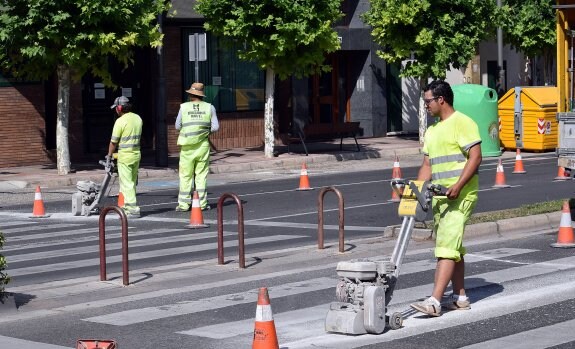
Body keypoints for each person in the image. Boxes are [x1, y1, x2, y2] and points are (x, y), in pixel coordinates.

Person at [410, 80, 482, 317]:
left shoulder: (463, 123)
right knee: (454, 248)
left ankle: (434, 301)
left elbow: (475, 157)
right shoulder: (432, 131)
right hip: (440, 197)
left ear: (441, 100)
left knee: (446, 248)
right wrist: (416, 193)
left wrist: (459, 185)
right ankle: (460, 297)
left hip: (461, 195)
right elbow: (427, 165)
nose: (426, 105)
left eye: (428, 101)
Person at [175, 82, 219, 211]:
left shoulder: (183, 107)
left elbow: (177, 126)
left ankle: (183, 205)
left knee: (185, 176)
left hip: (187, 147)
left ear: (190, 94)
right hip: (203, 146)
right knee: (201, 176)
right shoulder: (209, 107)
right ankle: (202, 204)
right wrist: (204, 131)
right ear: (201, 95)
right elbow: (215, 127)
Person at [107, 96, 143, 218]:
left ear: (119, 108)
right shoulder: (137, 118)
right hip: (136, 154)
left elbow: (113, 142)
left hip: (125, 156)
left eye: (116, 108)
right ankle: (126, 207)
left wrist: (109, 156)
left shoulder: (120, 121)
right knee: (131, 182)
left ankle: (133, 208)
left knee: (126, 183)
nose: (116, 111)